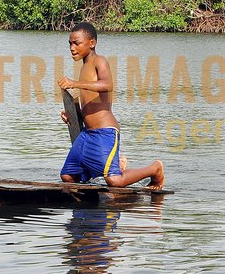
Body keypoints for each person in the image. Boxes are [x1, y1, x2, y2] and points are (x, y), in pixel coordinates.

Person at [58, 22, 164, 190]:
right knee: (68, 176)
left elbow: (107, 85)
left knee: (114, 181)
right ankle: (110, 164)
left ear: (91, 43)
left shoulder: (99, 61)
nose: (72, 47)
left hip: (105, 132)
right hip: (87, 134)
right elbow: (89, 101)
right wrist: (73, 115)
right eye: (70, 43)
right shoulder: (84, 66)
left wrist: (75, 83)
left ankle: (154, 169)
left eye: (76, 43)